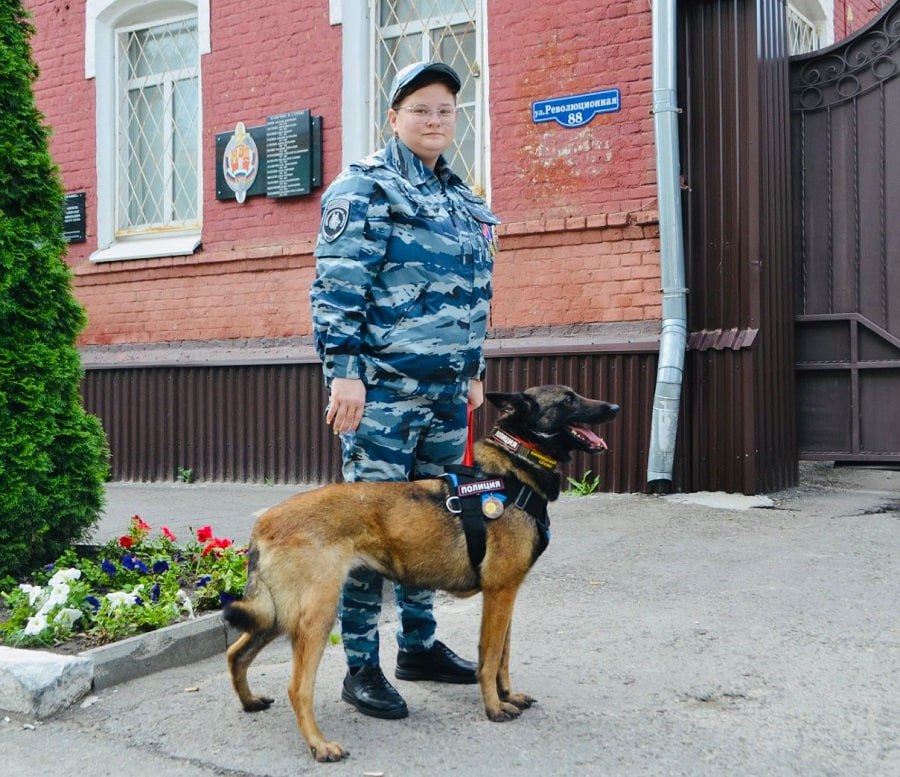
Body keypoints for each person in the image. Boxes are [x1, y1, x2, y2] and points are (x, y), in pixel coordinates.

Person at [309, 61, 500, 720]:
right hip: (383, 394)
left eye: (446, 109)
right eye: (421, 108)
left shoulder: (462, 196)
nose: (435, 119)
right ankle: (361, 665)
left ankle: (418, 646)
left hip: (446, 395)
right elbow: (338, 287)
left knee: (434, 523)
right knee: (372, 529)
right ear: (394, 117)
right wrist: (344, 372)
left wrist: (473, 370)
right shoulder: (365, 187)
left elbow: (476, 292)